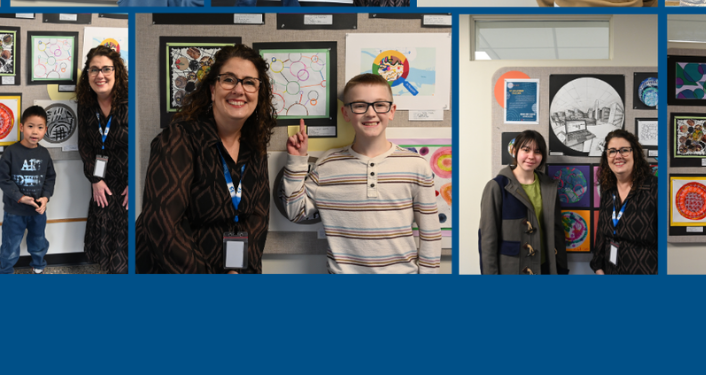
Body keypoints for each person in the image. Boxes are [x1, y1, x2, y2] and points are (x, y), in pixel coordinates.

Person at [274, 73, 441, 273]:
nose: (371, 113)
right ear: (346, 113)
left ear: (391, 111)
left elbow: (430, 232)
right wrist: (296, 161)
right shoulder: (328, 164)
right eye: (360, 105)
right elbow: (296, 212)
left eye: (379, 104)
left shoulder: (416, 165)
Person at [137, 44, 272, 273]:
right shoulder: (180, 139)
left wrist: (238, 270)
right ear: (212, 90)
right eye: (229, 79)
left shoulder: (255, 146)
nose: (239, 90)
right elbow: (162, 224)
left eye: (249, 82)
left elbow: (258, 220)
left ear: (259, 93)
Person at [478, 130, 567, 274]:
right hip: (512, 269)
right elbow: (487, 240)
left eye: (537, 151)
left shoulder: (550, 186)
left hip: (544, 268)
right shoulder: (497, 187)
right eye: (526, 150)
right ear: (514, 151)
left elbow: (557, 232)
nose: (531, 156)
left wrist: (562, 268)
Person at [77, 44, 128, 274]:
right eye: (94, 69)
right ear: (87, 73)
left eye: (106, 69)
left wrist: (135, 182)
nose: (100, 75)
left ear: (117, 71)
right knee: (105, 241)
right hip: (102, 181)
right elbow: (85, 145)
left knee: (126, 246)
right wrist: (95, 179)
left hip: (129, 184)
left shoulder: (131, 101)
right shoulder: (86, 104)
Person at [0, 105, 55, 274]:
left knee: (38, 241)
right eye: (30, 126)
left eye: (40, 127)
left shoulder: (44, 154)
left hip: (38, 210)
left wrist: (45, 198)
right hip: (15, 210)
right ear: (21, 127)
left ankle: (38, 264)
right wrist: (21, 198)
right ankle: (6, 270)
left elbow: (50, 178)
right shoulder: (11, 152)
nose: (35, 132)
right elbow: (3, 179)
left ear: (46, 130)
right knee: (11, 243)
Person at [592, 128, 657, 275]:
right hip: (610, 271)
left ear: (635, 154)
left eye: (624, 150)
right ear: (606, 156)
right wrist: (598, 267)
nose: (618, 156)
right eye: (612, 151)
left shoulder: (655, 188)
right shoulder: (608, 189)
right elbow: (602, 232)